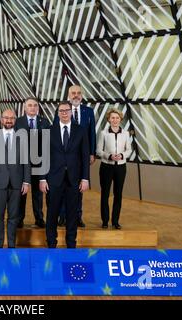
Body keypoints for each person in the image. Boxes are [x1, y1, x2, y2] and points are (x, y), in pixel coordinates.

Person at [40, 101, 90, 248]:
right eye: (61, 111)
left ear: (70, 112)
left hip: (74, 179)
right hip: (53, 178)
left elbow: (85, 156)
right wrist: (42, 178)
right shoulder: (49, 130)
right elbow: (43, 157)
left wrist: (85, 178)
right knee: (52, 212)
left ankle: (71, 243)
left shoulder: (80, 130)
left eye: (66, 110)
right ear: (58, 113)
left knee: (72, 213)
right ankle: (51, 242)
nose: (64, 113)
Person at [0, 109, 30, 248]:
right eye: (6, 118)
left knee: (13, 217)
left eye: (11, 118)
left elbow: (26, 162)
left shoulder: (22, 137)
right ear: (1, 119)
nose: (9, 120)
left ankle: (11, 245)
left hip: (17, 183)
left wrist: (26, 181)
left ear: (15, 120)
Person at [55, 85, 96, 228]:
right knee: (61, 186)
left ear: (82, 95)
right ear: (68, 95)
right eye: (73, 93)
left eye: (78, 93)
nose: (76, 95)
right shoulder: (60, 110)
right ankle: (62, 216)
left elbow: (92, 133)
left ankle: (77, 216)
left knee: (78, 188)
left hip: (81, 156)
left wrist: (92, 153)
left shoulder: (88, 112)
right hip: (64, 156)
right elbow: (56, 133)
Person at [15, 97, 49, 228]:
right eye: (30, 105)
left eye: (35, 105)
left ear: (38, 108)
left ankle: (39, 218)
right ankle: (19, 219)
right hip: (21, 164)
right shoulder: (18, 122)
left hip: (38, 164)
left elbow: (47, 145)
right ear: (24, 108)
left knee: (37, 193)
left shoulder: (45, 122)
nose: (33, 108)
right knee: (21, 193)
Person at [96, 109, 132, 230]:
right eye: (112, 118)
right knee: (105, 194)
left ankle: (115, 221)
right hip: (106, 167)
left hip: (121, 167)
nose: (115, 120)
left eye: (117, 118)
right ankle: (105, 221)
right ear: (109, 119)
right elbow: (98, 150)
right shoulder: (103, 133)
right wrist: (109, 156)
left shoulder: (126, 133)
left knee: (118, 194)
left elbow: (129, 150)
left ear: (120, 119)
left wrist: (122, 156)